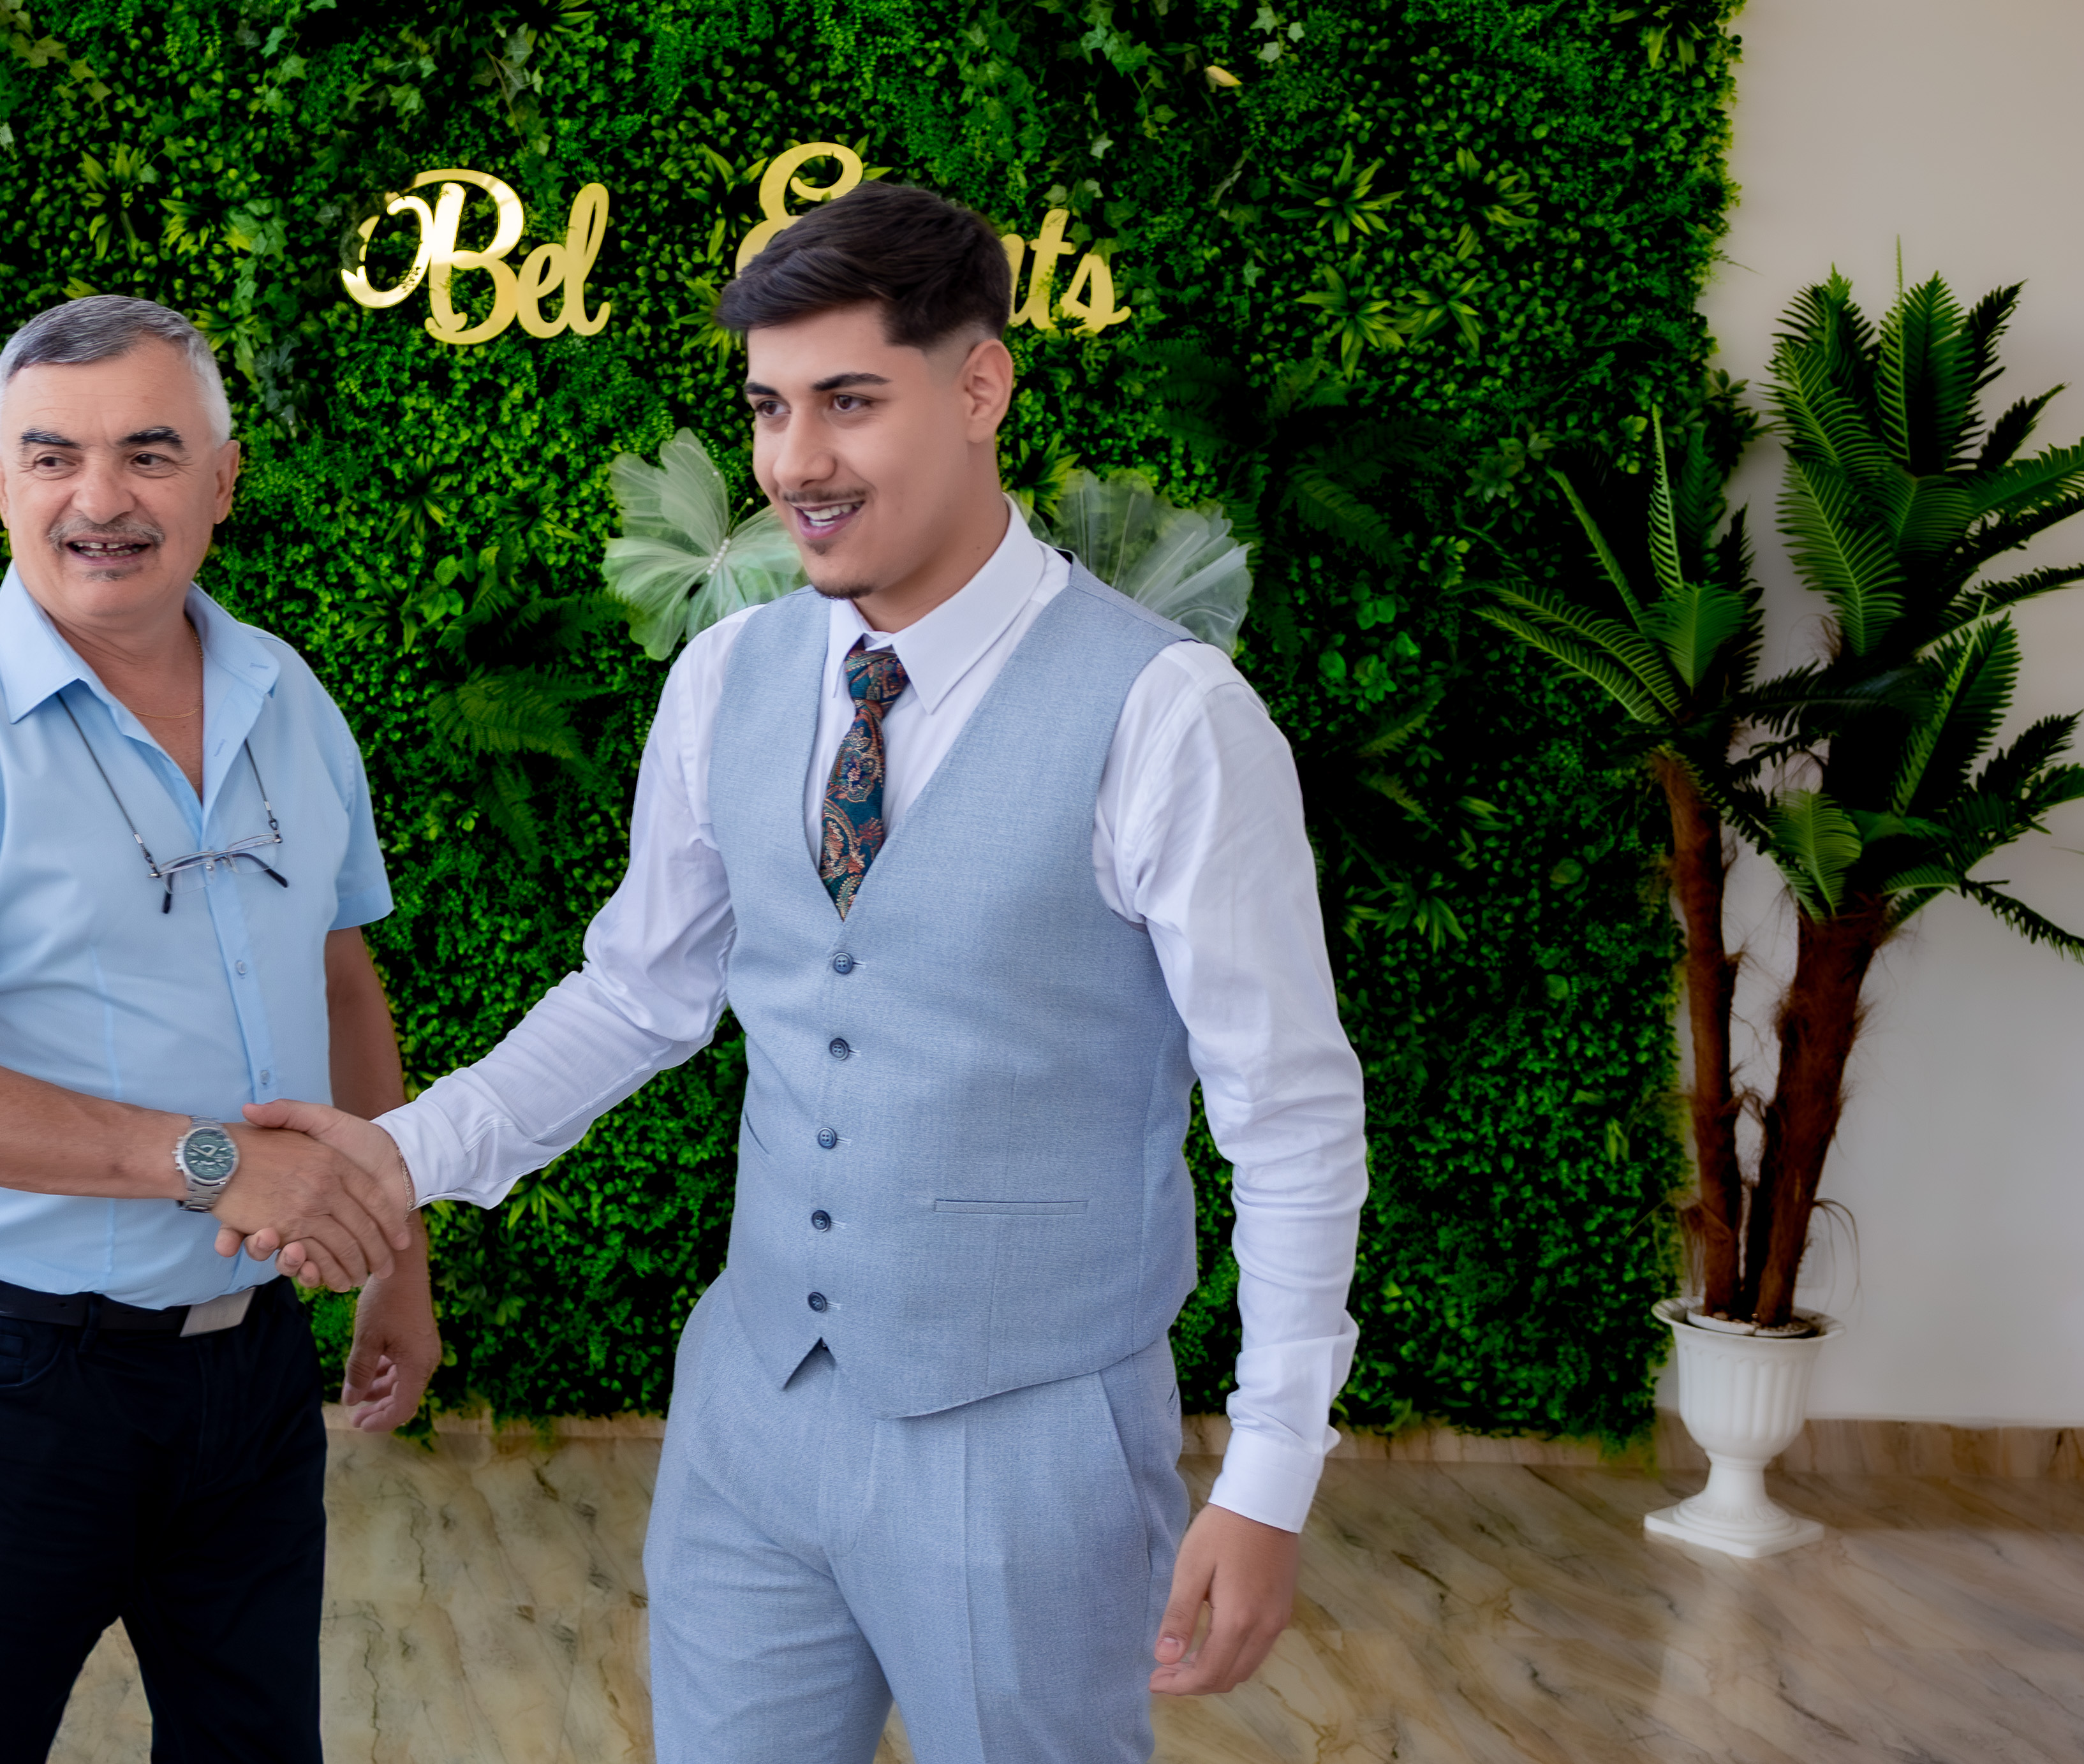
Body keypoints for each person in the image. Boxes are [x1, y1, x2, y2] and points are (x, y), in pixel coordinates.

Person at [250, 182, 1368, 1762]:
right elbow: (636, 995)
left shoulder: (1166, 715)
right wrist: (398, 1154)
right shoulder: (724, 676)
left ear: (977, 387)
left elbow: (1288, 1117)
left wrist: (1267, 1476)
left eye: (848, 402)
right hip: (750, 1414)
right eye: (769, 410)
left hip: (1026, 1441)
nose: (794, 463)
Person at [0, 294, 440, 1764]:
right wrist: (218, 1162)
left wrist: (395, 1263)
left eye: (149, 453)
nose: (101, 500)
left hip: (250, 1373)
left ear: (221, 477)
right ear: (0, 480)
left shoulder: (290, 700)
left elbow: (341, 987)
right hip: (8, 1390)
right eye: (52, 457)